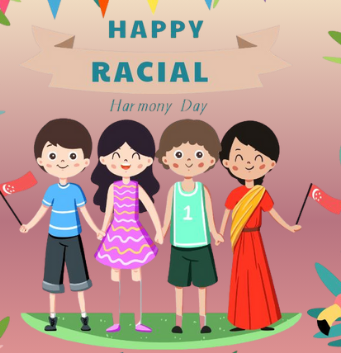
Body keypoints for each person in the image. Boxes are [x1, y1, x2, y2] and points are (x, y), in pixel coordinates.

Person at [17, 119, 98, 333]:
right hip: (54, 239)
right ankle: (52, 318)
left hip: (74, 239)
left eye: (72, 156)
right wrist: (28, 225)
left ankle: (84, 317)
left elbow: (85, 213)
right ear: (41, 161)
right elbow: (42, 211)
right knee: (52, 281)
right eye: (53, 156)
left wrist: (97, 229)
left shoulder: (76, 190)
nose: (62, 162)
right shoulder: (51, 190)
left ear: (84, 161)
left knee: (79, 280)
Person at [218, 120, 298, 331]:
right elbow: (227, 214)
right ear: (227, 162)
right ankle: (240, 321)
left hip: (255, 239)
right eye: (239, 158)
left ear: (270, 164)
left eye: (257, 158)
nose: (248, 163)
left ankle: (263, 320)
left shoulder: (261, 193)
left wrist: (288, 226)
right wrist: (219, 232)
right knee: (241, 278)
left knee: (258, 277)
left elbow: (273, 213)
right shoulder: (235, 194)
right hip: (241, 239)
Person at [87, 119, 165, 334]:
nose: (125, 161)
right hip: (115, 234)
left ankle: (138, 320)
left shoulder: (138, 188)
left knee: (136, 274)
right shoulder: (112, 188)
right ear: (104, 159)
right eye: (118, 155)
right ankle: (116, 320)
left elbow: (151, 209)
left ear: (147, 161)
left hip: (135, 234)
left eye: (133, 156)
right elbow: (109, 212)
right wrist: (102, 229)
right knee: (115, 275)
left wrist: (159, 231)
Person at [154, 119, 224, 334]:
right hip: (179, 245)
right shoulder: (174, 190)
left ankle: (204, 322)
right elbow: (168, 216)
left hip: (201, 244)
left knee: (202, 285)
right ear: (166, 158)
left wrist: (215, 233)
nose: (188, 161)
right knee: (179, 286)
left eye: (198, 155)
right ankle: (179, 322)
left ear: (210, 159)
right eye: (179, 154)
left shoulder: (202, 189)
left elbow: (209, 215)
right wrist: (161, 232)